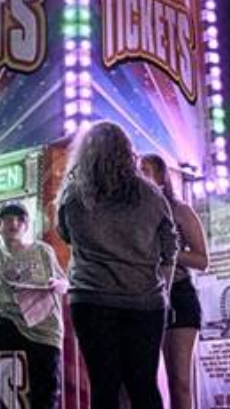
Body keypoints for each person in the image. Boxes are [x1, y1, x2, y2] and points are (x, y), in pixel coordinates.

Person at [57, 121, 178, 409]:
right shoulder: (151, 195)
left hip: (91, 299)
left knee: (104, 386)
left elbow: (66, 235)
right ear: (127, 151)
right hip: (145, 302)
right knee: (143, 386)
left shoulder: (73, 195)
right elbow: (170, 249)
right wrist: (164, 291)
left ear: (85, 153)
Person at [0, 201, 67, 409]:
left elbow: (64, 282)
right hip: (13, 322)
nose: (14, 223)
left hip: (44, 326)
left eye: (20, 219)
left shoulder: (42, 250)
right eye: (8, 219)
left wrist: (56, 285)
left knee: (46, 394)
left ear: (27, 226)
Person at [140, 154, 209, 409]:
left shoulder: (180, 210)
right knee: (140, 379)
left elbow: (202, 260)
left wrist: (167, 250)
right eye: (137, 170)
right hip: (143, 296)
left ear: (160, 176)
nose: (139, 175)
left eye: (145, 170)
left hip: (178, 294)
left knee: (179, 381)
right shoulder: (132, 214)